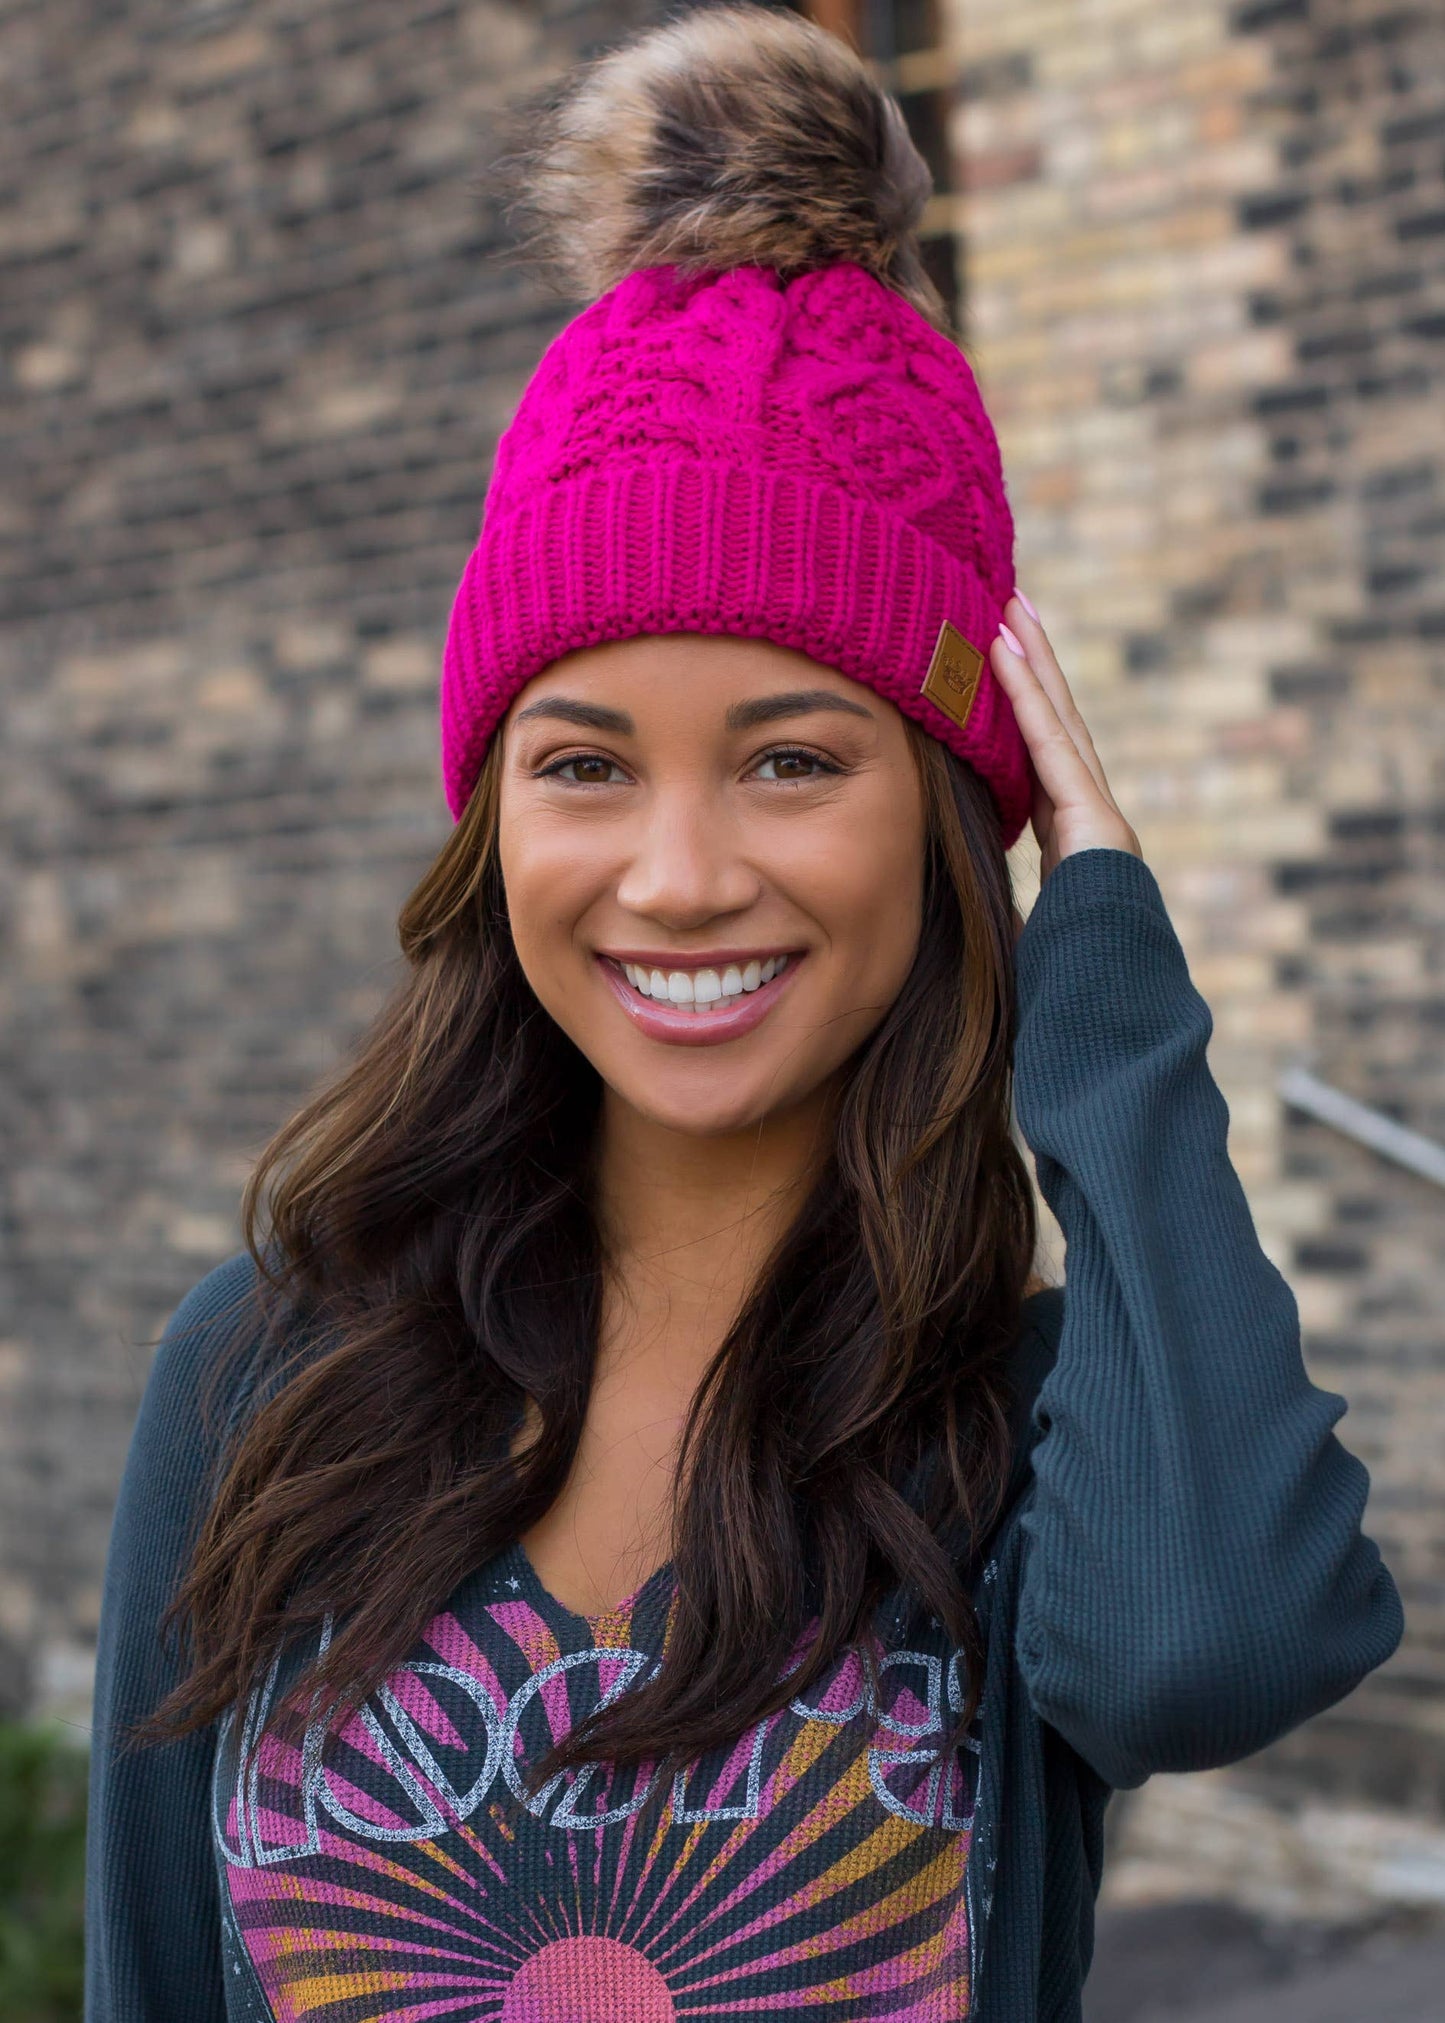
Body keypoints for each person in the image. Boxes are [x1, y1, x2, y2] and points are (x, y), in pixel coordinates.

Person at [84, 9, 1403, 2020]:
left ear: (956, 818)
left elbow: (1210, 1646)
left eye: (792, 761)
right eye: (586, 763)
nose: (679, 872)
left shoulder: (1021, 1436)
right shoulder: (272, 1380)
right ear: (490, 813)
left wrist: (1111, 973)